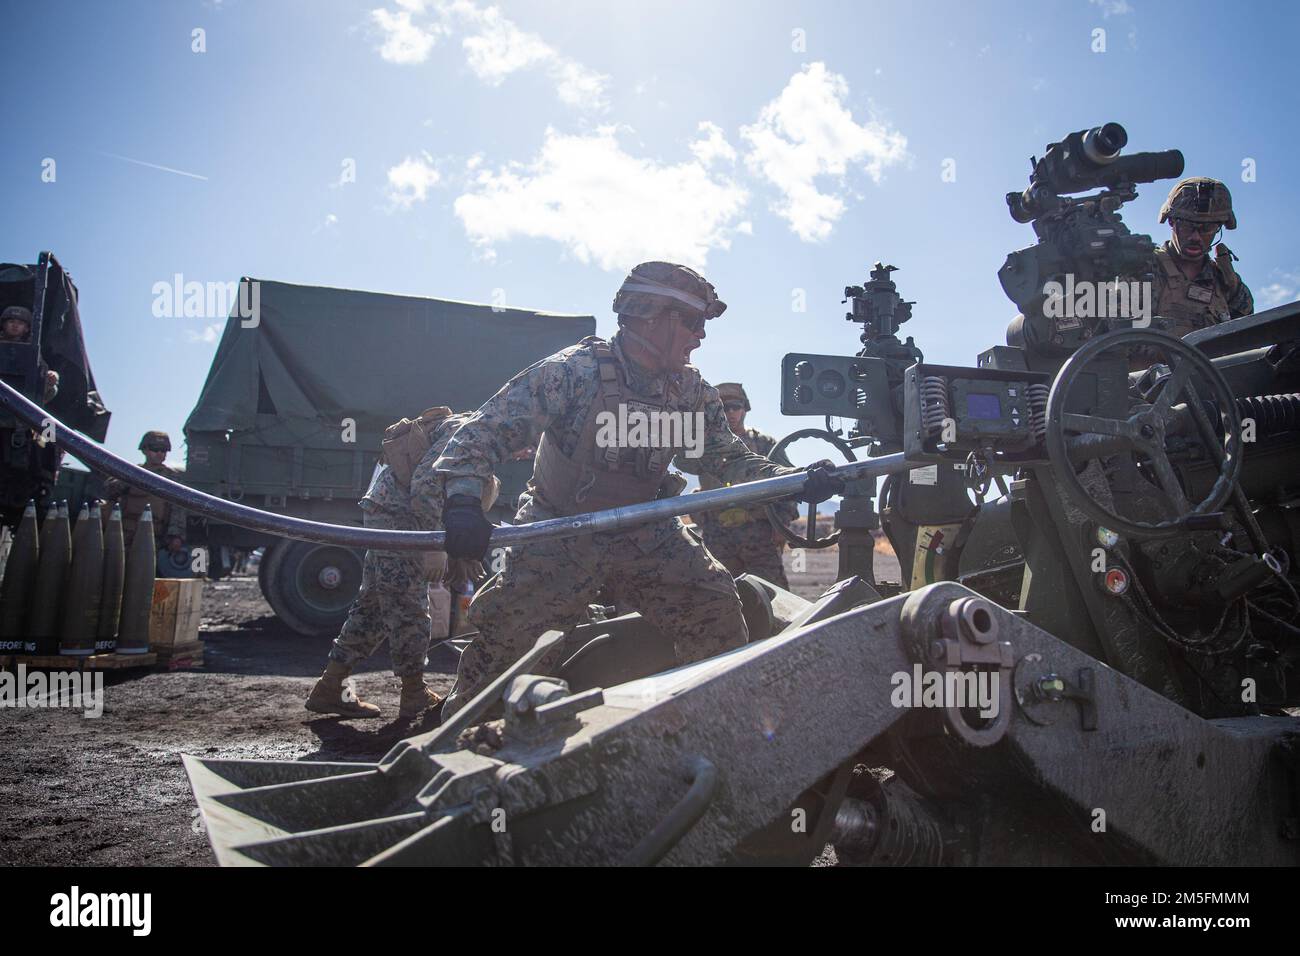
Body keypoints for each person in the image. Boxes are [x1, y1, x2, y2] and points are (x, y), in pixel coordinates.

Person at [435, 261, 842, 719]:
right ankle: (453, 745)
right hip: (561, 529)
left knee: (713, 607)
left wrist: (796, 480)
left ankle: (709, 727)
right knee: (509, 648)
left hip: (645, 528)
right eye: (691, 322)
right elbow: (482, 433)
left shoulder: (690, 393)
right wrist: (465, 502)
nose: (700, 336)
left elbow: (727, 459)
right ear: (648, 314)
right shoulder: (574, 372)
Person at [305, 408, 500, 720]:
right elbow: (425, 486)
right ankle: (414, 693)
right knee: (408, 604)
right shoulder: (472, 432)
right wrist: (434, 545)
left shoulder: (477, 435)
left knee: (374, 606)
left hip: (390, 513)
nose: (526, 451)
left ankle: (330, 688)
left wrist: (459, 551)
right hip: (399, 519)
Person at [691, 382, 798, 588]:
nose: (731, 413)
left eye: (736, 407)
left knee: (773, 596)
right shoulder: (705, 447)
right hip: (718, 536)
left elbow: (789, 484)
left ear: (744, 409)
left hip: (759, 535)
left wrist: (781, 525)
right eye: (724, 408)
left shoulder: (764, 444)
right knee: (720, 597)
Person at [1152, 177, 1253, 339]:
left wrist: (1232, 286)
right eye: (1187, 226)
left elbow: (1246, 339)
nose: (1196, 237)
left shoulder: (1226, 283)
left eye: (1207, 228)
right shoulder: (1144, 270)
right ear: (1171, 222)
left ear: (1218, 228)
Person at [102, 431, 187, 550]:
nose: (159, 453)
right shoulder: (131, 472)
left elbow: (178, 508)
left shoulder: (172, 477)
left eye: (163, 450)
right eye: (155, 449)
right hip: (124, 535)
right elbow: (109, 490)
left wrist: (176, 536)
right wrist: (130, 478)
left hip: (154, 538)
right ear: (144, 450)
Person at [0, 306, 59, 401]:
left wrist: (51, 377)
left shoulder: (31, 349)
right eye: (11, 322)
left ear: (27, 328)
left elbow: (41, 370)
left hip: (19, 395)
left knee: (52, 387)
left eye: (20, 323)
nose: (15, 325)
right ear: (4, 325)